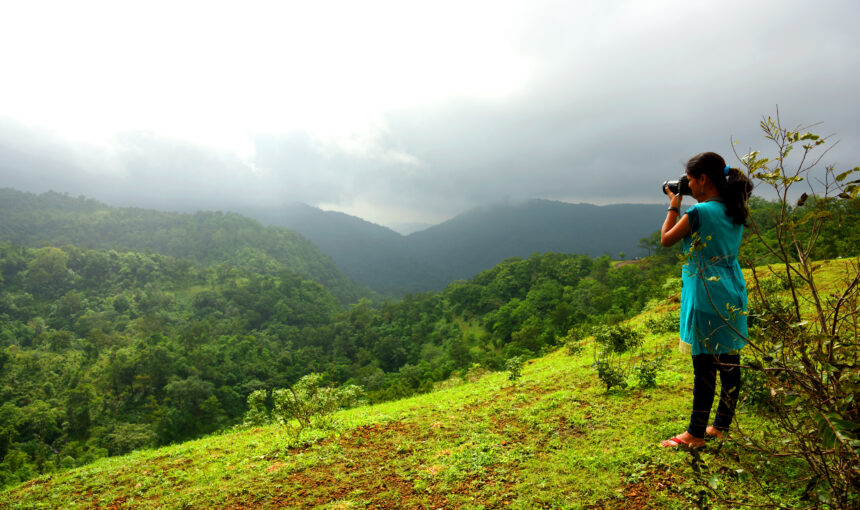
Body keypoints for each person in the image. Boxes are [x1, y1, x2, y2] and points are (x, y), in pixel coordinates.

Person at [658, 151, 754, 448]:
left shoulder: (700, 213)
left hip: (705, 289)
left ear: (702, 179)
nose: (687, 184)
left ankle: (695, 434)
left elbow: (666, 239)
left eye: (689, 179)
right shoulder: (734, 208)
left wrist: (674, 203)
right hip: (732, 287)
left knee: (703, 364)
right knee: (729, 360)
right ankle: (721, 425)